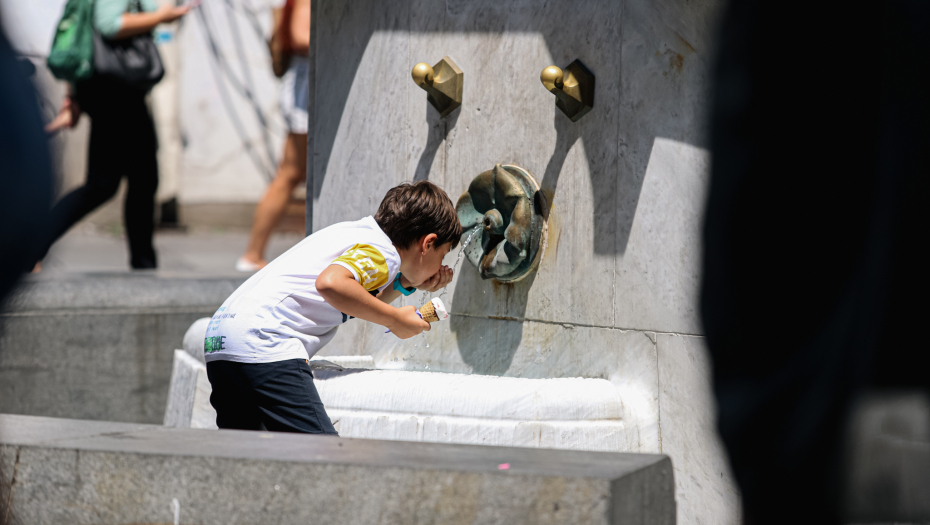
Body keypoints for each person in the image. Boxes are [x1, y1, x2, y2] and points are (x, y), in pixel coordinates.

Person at [205, 181, 460, 433]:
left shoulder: (360, 235)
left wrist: (406, 283)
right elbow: (330, 284)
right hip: (265, 340)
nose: (441, 265)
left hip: (223, 337)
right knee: (322, 453)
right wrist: (395, 320)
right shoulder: (385, 254)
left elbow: (358, 301)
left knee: (245, 451)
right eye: (443, 254)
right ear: (427, 244)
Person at [42, 0, 191, 270]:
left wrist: (72, 95)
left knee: (140, 179)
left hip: (112, 90)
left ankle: (144, 260)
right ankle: (32, 245)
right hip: (115, 92)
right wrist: (161, 17)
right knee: (106, 183)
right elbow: (110, 25)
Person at [236, 0, 311, 271]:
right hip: (306, 82)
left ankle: (253, 253)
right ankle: (252, 254)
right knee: (291, 173)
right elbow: (300, 35)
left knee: (293, 173)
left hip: (305, 80)